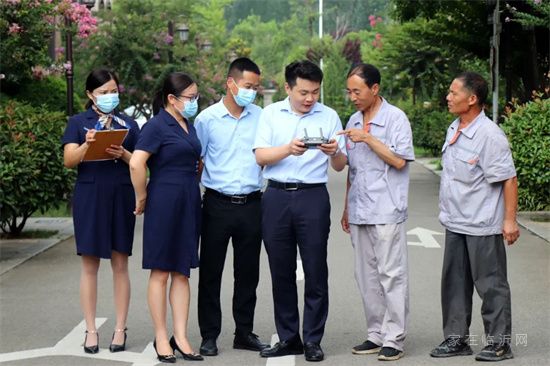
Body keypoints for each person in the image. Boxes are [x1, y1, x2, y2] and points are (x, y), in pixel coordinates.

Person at [254, 60, 347, 362]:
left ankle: (313, 340)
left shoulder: (329, 115)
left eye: (315, 92)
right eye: (303, 92)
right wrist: (288, 149)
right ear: (287, 88)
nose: (310, 99)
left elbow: (339, 165)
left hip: (313, 197)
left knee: (316, 269)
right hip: (276, 196)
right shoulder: (270, 114)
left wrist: (335, 153)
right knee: (280, 271)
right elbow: (260, 157)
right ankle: (288, 337)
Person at [429, 72, 519, 362]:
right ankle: (456, 340)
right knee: (454, 284)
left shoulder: (490, 135)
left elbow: (508, 179)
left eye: (454, 93)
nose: (448, 97)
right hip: (456, 221)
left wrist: (509, 220)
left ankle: (500, 343)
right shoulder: (454, 128)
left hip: (482, 224)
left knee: (491, 285)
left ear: (472, 99)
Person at [339, 63, 414, 362]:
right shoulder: (353, 119)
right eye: (349, 92)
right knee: (365, 276)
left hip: (386, 209)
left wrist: (369, 139)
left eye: (357, 91)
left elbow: (399, 161)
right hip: (359, 209)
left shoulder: (395, 119)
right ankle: (375, 333)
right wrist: (346, 206)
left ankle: (394, 337)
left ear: (375, 89)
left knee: (391, 275)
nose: (353, 97)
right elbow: (352, 170)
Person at [194, 58, 269, 356]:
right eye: (248, 86)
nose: (252, 91)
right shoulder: (206, 119)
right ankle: (209, 334)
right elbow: (196, 162)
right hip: (216, 204)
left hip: (252, 203)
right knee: (211, 272)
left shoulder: (261, 117)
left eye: (255, 87)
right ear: (231, 83)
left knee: (248, 272)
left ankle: (244, 332)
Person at [62, 68, 139, 354]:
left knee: (120, 262)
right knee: (90, 263)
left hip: (121, 193)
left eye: (113, 91)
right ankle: (91, 329)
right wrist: (87, 145)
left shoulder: (129, 123)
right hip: (90, 194)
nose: (110, 96)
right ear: (90, 94)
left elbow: (141, 162)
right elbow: (69, 159)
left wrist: (124, 153)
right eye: (104, 92)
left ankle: (120, 328)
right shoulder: (78, 122)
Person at [129, 72, 203, 363]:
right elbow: (136, 163)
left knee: (182, 270)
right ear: (172, 99)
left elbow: (194, 159)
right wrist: (141, 195)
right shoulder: (156, 125)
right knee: (160, 270)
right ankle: (162, 336)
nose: (195, 102)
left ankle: (181, 336)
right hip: (163, 199)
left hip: (188, 198)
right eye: (190, 97)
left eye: (197, 97)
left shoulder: (188, 124)